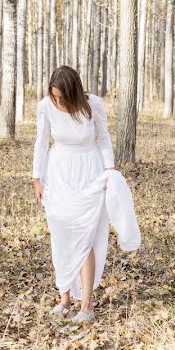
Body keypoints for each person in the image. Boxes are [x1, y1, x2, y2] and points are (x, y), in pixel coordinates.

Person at [31, 65, 116, 323]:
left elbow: (103, 138)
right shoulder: (45, 106)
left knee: (84, 237)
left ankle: (87, 305)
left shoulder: (93, 105)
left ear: (73, 91)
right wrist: (36, 178)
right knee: (61, 236)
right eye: (54, 96)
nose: (58, 101)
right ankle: (64, 298)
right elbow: (41, 141)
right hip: (58, 174)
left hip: (88, 173)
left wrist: (109, 170)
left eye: (61, 97)